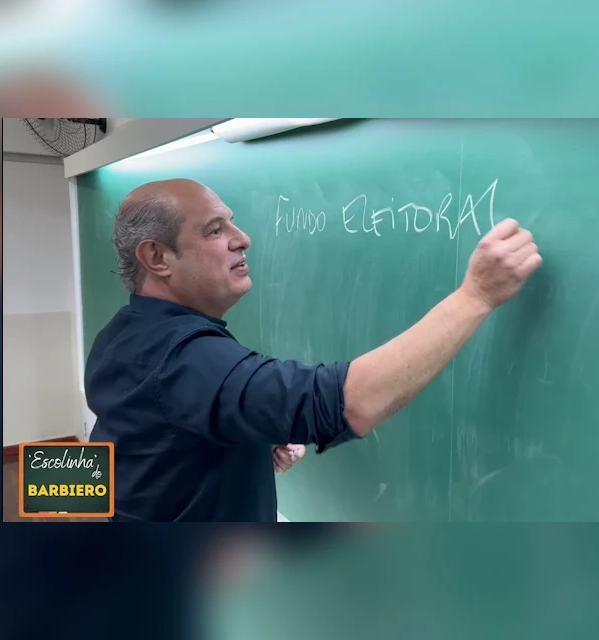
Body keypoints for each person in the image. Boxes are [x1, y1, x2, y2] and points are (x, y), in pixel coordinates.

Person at [86, 178, 542, 522]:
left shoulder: (123, 334)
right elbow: (350, 402)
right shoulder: (185, 358)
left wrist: (245, 446)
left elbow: (147, 442)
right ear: (157, 258)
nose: (242, 238)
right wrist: (475, 297)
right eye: (214, 230)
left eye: (232, 222)